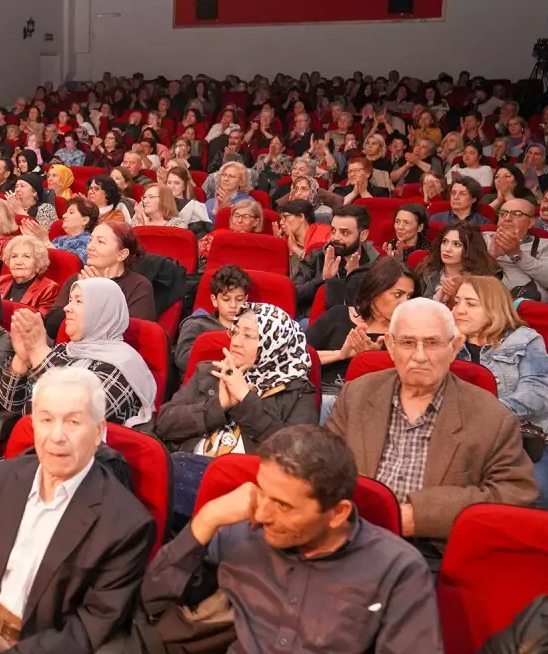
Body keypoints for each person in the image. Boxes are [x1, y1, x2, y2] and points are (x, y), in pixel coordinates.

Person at [141, 425, 443, 653]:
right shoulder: (240, 530)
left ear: (337, 513)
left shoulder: (397, 570)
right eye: (261, 492)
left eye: (284, 505)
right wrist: (206, 520)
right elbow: (153, 602)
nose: (264, 514)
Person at [0, 367, 154, 654]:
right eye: (46, 419)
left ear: (98, 432)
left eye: (73, 422)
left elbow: (89, 628)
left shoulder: (127, 524)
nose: (57, 435)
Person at [325, 298, 537, 545]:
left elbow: (514, 493)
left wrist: (419, 516)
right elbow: (325, 464)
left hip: (434, 549)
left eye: (433, 343)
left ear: (455, 347)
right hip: (349, 533)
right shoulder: (356, 394)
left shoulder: (493, 417)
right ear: (391, 346)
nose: (419, 356)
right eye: (407, 342)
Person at [156, 303, 316, 515]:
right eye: (235, 331)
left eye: (248, 335)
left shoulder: (297, 391)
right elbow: (165, 423)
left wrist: (245, 400)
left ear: (274, 343)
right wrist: (218, 407)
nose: (237, 342)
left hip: (247, 487)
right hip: (186, 470)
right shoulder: (209, 371)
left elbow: (296, 458)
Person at [452, 276, 548, 511]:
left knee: (537, 491)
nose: (459, 310)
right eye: (457, 302)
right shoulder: (448, 345)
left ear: (493, 307)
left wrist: (490, 412)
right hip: (477, 439)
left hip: (541, 433)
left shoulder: (523, 339)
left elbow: (540, 391)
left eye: (470, 304)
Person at [2, 278, 156, 425]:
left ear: (101, 312)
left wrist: (37, 351)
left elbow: (73, 415)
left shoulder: (123, 366)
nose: (66, 308)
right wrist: (21, 360)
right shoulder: (64, 350)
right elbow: (10, 406)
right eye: (70, 301)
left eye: (79, 301)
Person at [308, 257, 416, 416]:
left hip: (370, 406)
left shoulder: (408, 334)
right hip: (320, 394)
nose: (404, 303)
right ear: (375, 291)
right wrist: (340, 355)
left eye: (409, 297)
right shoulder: (338, 315)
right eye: (397, 294)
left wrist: (373, 360)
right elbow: (295, 356)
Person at [45, 221, 155, 337]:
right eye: (90, 240)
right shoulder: (78, 279)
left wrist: (98, 294)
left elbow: (127, 335)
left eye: (100, 242)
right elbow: (52, 327)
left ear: (122, 254)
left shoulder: (139, 286)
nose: (89, 247)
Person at [292, 205, 379, 316]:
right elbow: (294, 294)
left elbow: (375, 309)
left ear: (363, 235)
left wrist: (354, 280)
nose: (335, 237)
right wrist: (322, 279)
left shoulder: (375, 265)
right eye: (333, 230)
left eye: (345, 233)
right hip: (315, 320)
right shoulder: (317, 256)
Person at [174, 264, 250, 374]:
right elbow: (183, 360)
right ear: (214, 300)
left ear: (246, 300)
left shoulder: (255, 328)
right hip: (204, 384)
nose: (233, 305)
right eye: (226, 299)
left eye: (239, 299)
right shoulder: (196, 325)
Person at [484, 198, 548, 302]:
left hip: (527, 306)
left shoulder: (545, 245)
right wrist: (490, 257)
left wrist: (517, 254)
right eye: (503, 214)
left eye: (517, 214)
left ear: (531, 222)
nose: (507, 218)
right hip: (486, 300)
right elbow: (464, 274)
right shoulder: (482, 239)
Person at [0, 235, 59, 315]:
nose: (18, 262)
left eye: (26, 256)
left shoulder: (48, 289)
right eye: (14, 256)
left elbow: (39, 320)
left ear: (38, 263)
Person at [274, 199, 331, 275]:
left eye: (285, 217)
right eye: (280, 218)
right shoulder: (285, 240)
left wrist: (295, 249)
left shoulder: (325, 233)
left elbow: (320, 269)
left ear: (301, 217)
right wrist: (278, 246)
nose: (281, 222)